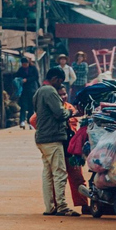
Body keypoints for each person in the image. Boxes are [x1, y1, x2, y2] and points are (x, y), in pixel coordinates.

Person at [29, 87, 88, 213]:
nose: (63, 96)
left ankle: (83, 203)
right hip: (57, 144)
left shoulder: (69, 107)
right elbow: (33, 120)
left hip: (70, 148)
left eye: (64, 94)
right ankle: (58, 206)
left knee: (77, 177)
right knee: (58, 175)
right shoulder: (51, 107)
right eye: (60, 94)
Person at [33, 67, 80, 217]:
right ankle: (62, 207)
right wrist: (71, 112)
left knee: (48, 174)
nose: (60, 84)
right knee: (59, 172)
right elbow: (60, 113)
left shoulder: (39, 91)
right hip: (52, 138)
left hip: (42, 138)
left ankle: (50, 207)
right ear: (56, 79)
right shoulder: (50, 91)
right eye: (60, 81)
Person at [15, 57, 40, 129]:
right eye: (23, 64)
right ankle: (22, 120)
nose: (25, 65)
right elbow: (17, 77)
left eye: (26, 64)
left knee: (31, 106)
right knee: (23, 105)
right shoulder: (20, 70)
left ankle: (30, 122)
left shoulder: (33, 68)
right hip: (24, 90)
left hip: (32, 89)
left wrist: (27, 80)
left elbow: (36, 77)